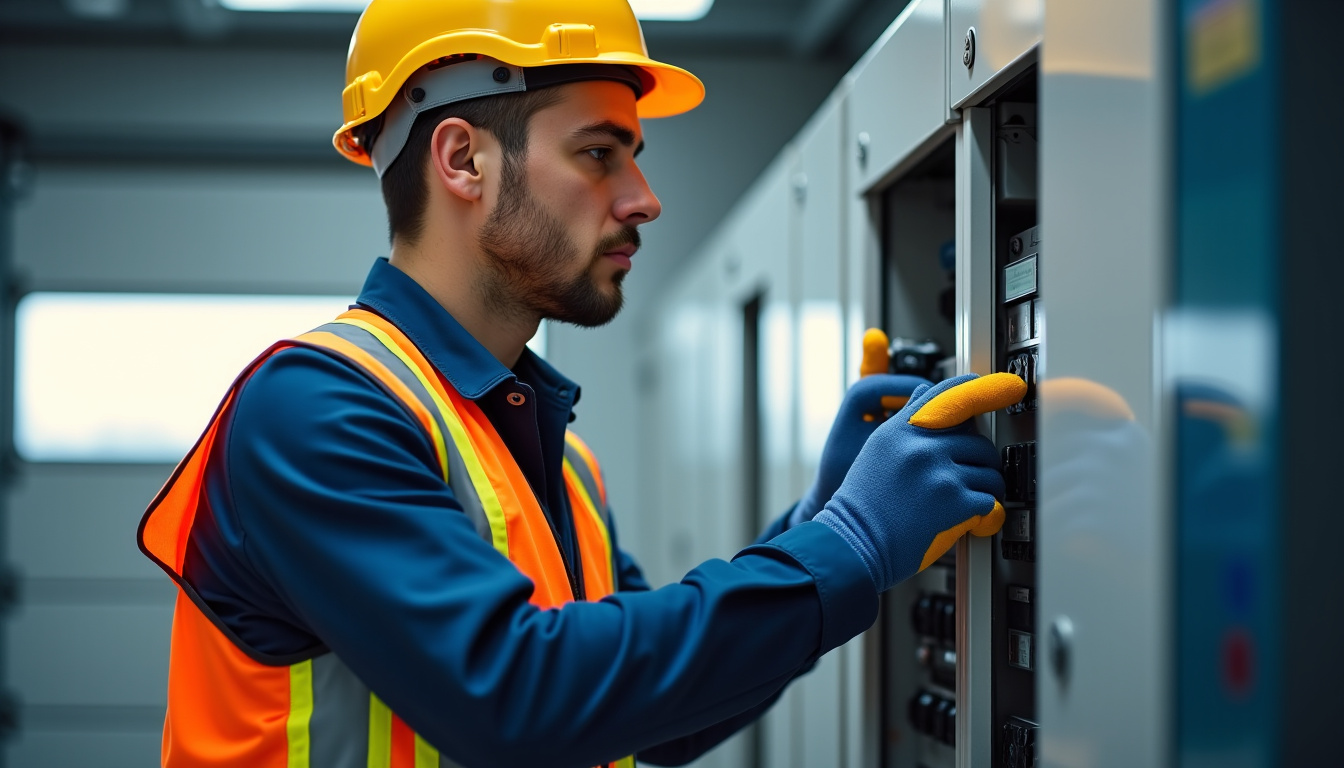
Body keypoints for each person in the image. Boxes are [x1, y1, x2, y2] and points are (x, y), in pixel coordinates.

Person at [137, 1, 1025, 766]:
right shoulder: (313, 411)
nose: (643, 197)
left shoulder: (557, 461)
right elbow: (519, 696)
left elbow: (651, 714)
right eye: (601, 154)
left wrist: (816, 524)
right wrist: (850, 544)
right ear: (463, 161)